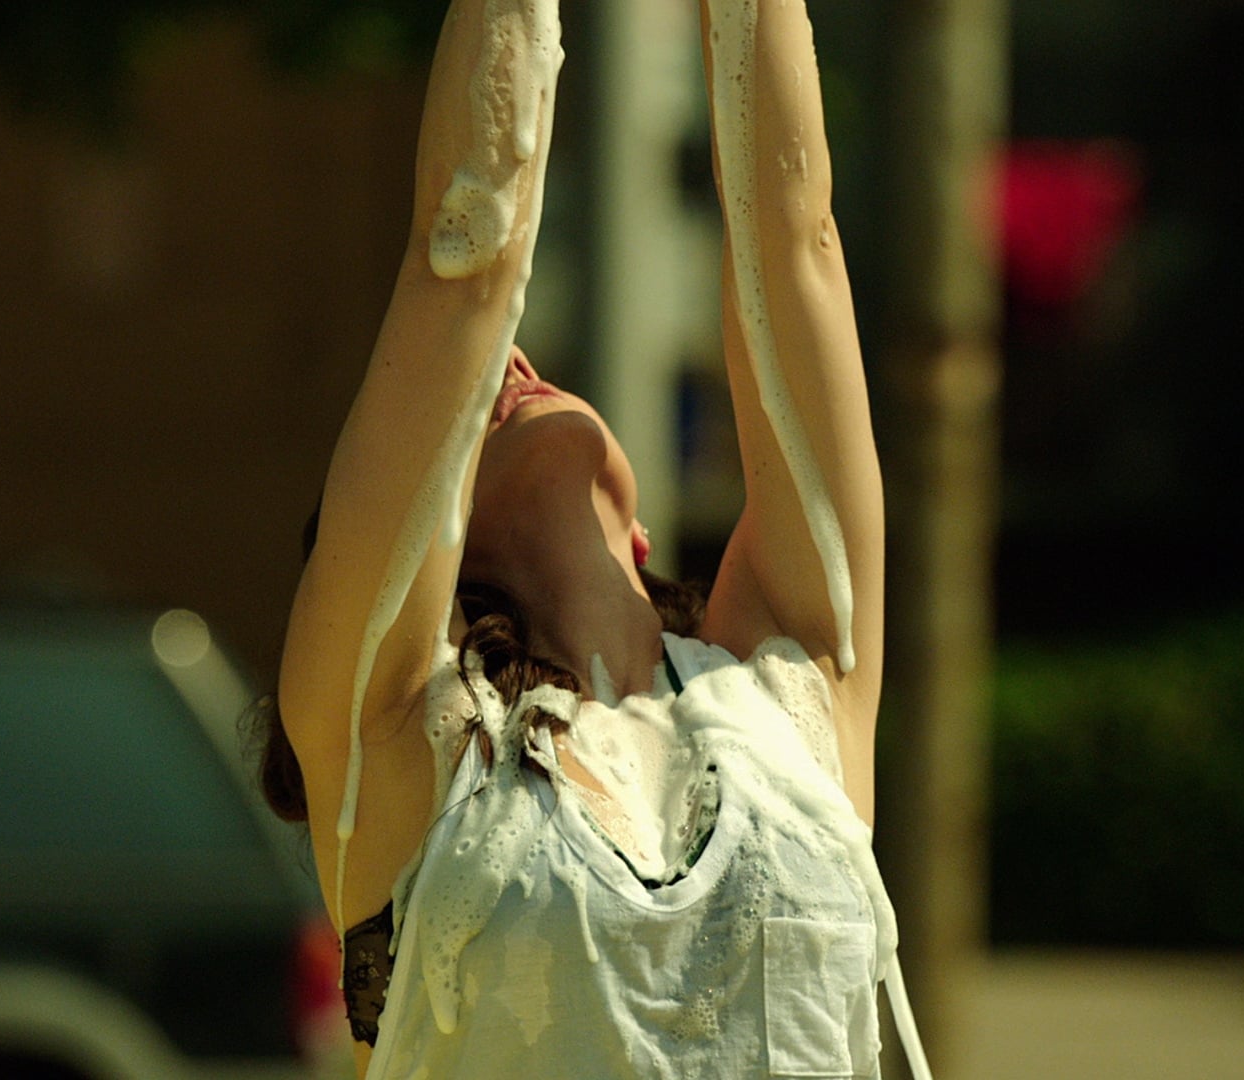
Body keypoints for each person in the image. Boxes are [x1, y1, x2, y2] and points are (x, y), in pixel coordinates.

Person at [254, 0, 898, 1075]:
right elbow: (465, 258)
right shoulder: (402, 737)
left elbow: (795, 239)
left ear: (638, 536)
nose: (507, 366)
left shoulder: (793, 691)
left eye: (522, 364)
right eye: (466, 400)